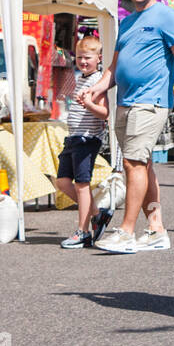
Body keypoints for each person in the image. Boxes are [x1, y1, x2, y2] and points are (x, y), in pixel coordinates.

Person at [88, 0, 174, 253]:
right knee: (142, 165)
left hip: (150, 102)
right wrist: (97, 88)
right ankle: (156, 229)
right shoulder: (128, 22)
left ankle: (125, 232)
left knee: (132, 163)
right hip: (125, 101)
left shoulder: (167, 18)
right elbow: (114, 67)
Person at [57, 35, 113, 248]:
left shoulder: (98, 81)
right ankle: (97, 214)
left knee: (82, 184)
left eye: (87, 58)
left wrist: (88, 104)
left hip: (87, 138)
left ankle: (83, 232)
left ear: (99, 58)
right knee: (62, 182)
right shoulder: (81, 78)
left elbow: (105, 112)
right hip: (73, 138)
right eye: (80, 57)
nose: (83, 62)